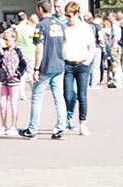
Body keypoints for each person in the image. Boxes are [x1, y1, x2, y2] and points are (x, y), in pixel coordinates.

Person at [23, 0, 69, 139]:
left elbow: (39, 48)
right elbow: (64, 45)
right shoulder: (60, 25)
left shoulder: (41, 26)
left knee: (37, 98)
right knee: (59, 98)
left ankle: (32, 129)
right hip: (59, 65)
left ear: (40, 9)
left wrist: (37, 68)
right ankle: (61, 127)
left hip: (45, 66)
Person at [62, 2, 95, 133]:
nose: (67, 18)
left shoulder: (85, 27)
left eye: (69, 15)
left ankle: (83, 122)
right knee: (68, 94)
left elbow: (92, 46)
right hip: (68, 64)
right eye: (66, 15)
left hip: (82, 64)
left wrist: (88, 61)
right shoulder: (64, 28)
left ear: (76, 14)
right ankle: (67, 118)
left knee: (82, 95)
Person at [0, 27, 28, 135]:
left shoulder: (18, 51)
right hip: (4, 80)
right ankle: (3, 125)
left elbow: (23, 64)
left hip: (14, 81)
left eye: (7, 39)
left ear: (14, 39)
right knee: (2, 103)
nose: (5, 41)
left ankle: (14, 125)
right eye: (4, 39)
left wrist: (18, 73)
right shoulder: (3, 51)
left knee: (14, 103)